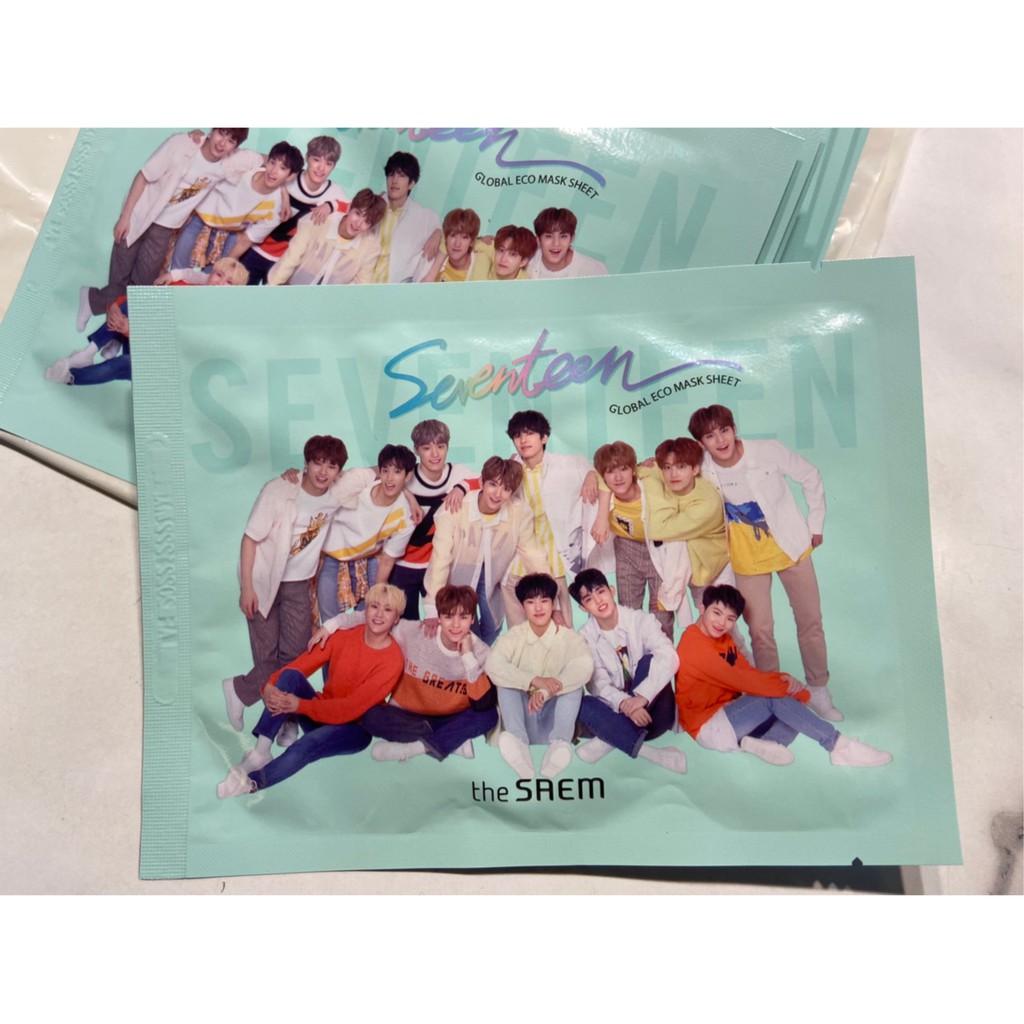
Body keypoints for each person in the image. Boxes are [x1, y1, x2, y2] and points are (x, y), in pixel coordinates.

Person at [689, 404, 843, 722]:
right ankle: (774, 694)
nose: (720, 440)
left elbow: (810, 475)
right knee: (760, 630)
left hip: (791, 546)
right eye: (710, 436)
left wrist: (815, 523)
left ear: (734, 429)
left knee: (810, 620)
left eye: (724, 430)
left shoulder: (767, 451)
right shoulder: (700, 465)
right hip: (746, 556)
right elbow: (666, 466)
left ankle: (818, 689)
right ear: (701, 443)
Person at [222, 435, 358, 733]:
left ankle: (241, 690)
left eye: (331, 466)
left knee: (296, 657)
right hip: (263, 581)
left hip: (298, 584)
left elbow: (377, 474)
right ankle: (283, 719)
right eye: (317, 463)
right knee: (267, 657)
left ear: (338, 471)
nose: (323, 472)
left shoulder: (337, 493)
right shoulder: (279, 490)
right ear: (306, 464)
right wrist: (247, 587)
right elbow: (250, 539)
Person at [216, 583, 406, 797]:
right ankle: (261, 752)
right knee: (290, 676)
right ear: (366, 610)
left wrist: (300, 705)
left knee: (307, 744)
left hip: (354, 729)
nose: (379, 614)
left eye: (388, 610)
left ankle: (252, 783)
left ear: (396, 618)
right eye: (374, 606)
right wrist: (271, 684)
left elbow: (350, 707)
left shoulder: (393, 660)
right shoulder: (344, 636)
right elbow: (302, 664)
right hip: (322, 714)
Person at [674, 585, 891, 767]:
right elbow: (742, 681)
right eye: (716, 613)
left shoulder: (724, 639)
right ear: (702, 608)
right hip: (710, 726)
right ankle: (840, 746)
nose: (722, 623)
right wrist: (795, 688)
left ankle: (770, 743)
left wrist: (789, 685)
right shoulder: (694, 645)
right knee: (780, 696)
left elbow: (747, 672)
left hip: (732, 717)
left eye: (730, 618)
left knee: (790, 699)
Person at [77, 129, 259, 331]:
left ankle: (95, 304)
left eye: (231, 140)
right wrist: (125, 217)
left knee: (143, 286)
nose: (222, 143)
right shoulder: (182, 144)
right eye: (221, 134)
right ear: (213, 130)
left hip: (165, 228)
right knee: (119, 278)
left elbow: (268, 160)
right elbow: (143, 176)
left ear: (235, 147)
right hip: (140, 214)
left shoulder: (230, 163)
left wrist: (283, 196)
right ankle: (103, 323)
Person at [312, 584, 497, 763]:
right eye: (448, 616)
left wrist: (467, 657)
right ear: (439, 617)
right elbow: (372, 617)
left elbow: (482, 705)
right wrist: (330, 625)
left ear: (472, 620)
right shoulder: (415, 632)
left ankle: (416, 748)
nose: (456, 625)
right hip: (407, 716)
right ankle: (451, 741)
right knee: (370, 715)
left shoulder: (482, 653)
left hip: (449, 718)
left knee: (489, 715)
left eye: (463, 617)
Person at [45, 257, 249, 386]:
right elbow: (144, 299)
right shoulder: (186, 286)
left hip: (163, 366)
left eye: (229, 282)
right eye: (219, 275)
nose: (220, 283)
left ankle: (70, 376)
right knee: (135, 301)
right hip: (142, 339)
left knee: (121, 364)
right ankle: (88, 352)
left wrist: (131, 330)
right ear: (210, 274)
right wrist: (115, 306)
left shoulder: (217, 323)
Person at [569, 569, 686, 774]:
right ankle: (654, 754)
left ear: (612, 590)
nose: (598, 601)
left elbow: (670, 657)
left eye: (601, 591)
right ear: (582, 607)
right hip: (622, 714)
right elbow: (598, 685)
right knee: (582, 702)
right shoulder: (585, 638)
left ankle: (609, 739)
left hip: (654, 715)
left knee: (649, 661)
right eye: (589, 599)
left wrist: (642, 696)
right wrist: (625, 704)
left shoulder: (641, 620)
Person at [423, 456, 550, 645]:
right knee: (467, 632)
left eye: (506, 489)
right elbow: (440, 558)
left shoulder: (520, 512)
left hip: (492, 575)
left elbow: (532, 553)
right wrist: (432, 606)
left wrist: (549, 592)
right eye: (493, 484)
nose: (498, 494)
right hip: (457, 578)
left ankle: (481, 657)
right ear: (481, 482)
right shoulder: (454, 509)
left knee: (492, 627)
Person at [485, 574, 593, 780]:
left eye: (544, 600)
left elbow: (585, 667)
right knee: (505, 680)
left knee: (574, 681)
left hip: (554, 722)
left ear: (553, 604)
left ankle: (559, 747)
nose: (538, 608)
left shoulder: (570, 638)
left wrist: (544, 691)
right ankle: (519, 749)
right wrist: (533, 680)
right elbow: (493, 665)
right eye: (530, 602)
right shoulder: (513, 636)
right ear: (522, 606)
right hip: (522, 719)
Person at [504, 409, 602, 627]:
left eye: (529, 433)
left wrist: (591, 475)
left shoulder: (565, 464)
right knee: (519, 632)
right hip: (518, 560)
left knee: (562, 627)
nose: (523, 440)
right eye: (518, 435)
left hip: (554, 557)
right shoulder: (510, 470)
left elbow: (596, 468)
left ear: (544, 437)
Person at [316, 445, 417, 622]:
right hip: (331, 556)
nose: (390, 478)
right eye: (385, 470)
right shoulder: (360, 482)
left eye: (397, 472)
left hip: (367, 558)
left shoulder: (407, 517)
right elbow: (320, 493)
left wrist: (376, 600)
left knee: (365, 619)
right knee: (329, 620)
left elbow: (387, 560)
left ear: (408, 476)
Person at [389, 419, 475, 620]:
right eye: (427, 448)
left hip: (437, 566)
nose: (435, 454)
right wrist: (408, 495)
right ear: (416, 450)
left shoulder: (457, 473)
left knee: (442, 622)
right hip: (403, 565)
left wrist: (461, 487)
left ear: (447, 447)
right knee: (404, 626)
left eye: (441, 446)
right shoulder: (407, 476)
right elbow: (380, 481)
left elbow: (486, 480)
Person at [170, 141, 303, 269]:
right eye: (272, 163)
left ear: (290, 176)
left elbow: (246, 240)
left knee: (214, 277)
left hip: (229, 233)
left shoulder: (276, 209)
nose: (273, 171)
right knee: (177, 270)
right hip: (200, 218)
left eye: (282, 168)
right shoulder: (248, 164)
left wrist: (224, 267)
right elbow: (213, 162)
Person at [241, 135, 351, 285]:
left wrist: (331, 205)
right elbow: (264, 167)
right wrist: (283, 191)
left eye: (328, 163)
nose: (321, 168)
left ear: (334, 166)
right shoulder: (289, 175)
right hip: (255, 248)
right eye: (316, 160)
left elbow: (353, 209)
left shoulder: (333, 191)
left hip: (285, 261)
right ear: (307, 158)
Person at [266, 188, 386, 286]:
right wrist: (272, 288)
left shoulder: (370, 248)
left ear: (371, 226)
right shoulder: (318, 221)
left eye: (367, 221)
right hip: (292, 286)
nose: (358, 223)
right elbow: (290, 259)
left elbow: (361, 285)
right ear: (349, 208)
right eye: (358, 213)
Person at [371, 151, 441, 283]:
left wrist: (438, 233)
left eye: (401, 176)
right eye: (391, 174)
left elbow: (443, 227)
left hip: (394, 287)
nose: (394, 181)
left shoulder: (422, 215)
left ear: (411, 183)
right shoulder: (373, 204)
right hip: (363, 282)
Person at [527, 207, 608, 280]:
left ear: (572, 238)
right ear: (538, 240)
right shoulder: (525, 262)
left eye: (563, 236)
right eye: (549, 236)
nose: (556, 244)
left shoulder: (593, 270)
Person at [422, 208, 493, 282]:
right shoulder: (435, 257)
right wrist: (437, 233)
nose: (457, 244)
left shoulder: (480, 264)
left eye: (464, 237)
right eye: (453, 235)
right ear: (446, 238)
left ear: (472, 241)